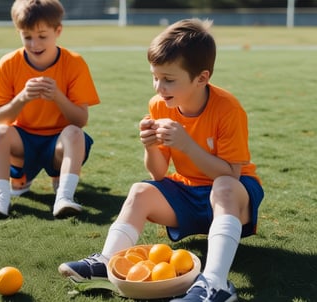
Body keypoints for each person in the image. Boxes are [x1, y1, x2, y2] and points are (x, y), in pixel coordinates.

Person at [58, 18, 264, 302]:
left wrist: (186, 145)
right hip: (188, 191)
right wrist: (151, 146)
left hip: (234, 195)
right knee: (140, 190)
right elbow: (158, 174)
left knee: (224, 187)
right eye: (155, 76)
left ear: (201, 78)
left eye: (168, 79)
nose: (158, 87)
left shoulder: (228, 109)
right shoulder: (159, 105)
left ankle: (215, 285)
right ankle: (107, 262)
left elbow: (230, 172)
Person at [0, 0, 100, 220]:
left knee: (75, 133)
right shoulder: (8, 63)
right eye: (27, 36)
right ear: (19, 33)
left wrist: (58, 97)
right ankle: (0, 199)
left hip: (58, 144)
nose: (34, 44)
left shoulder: (74, 62)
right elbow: (1, 119)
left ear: (58, 30)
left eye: (42, 36)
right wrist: (23, 97)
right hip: (22, 144)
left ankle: (64, 196)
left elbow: (80, 120)